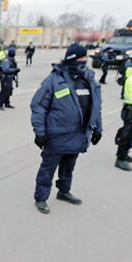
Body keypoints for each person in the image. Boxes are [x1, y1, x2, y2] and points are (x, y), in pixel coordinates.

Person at [30, 43, 102, 214]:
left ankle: (64, 191)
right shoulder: (54, 80)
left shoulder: (89, 78)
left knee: (69, 166)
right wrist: (39, 133)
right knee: (48, 168)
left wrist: (98, 128)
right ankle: (41, 197)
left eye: (85, 58)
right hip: (57, 136)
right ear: (71, 59)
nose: (84, 61)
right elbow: (38, 106)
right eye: (80, 58)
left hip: (79, 135)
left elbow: (96, 106)